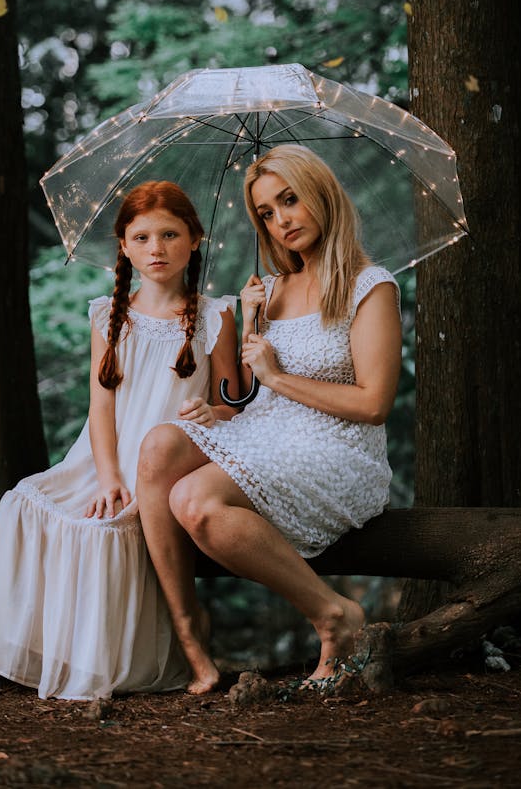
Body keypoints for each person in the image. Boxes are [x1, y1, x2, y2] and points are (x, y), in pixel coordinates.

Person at [136, 144, 402, 694]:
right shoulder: (272, 289)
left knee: (194, 501)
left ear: (320, 194)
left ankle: (332, 615)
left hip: (338, 448)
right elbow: (246, 394)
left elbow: (374, 404)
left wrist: (278, 378)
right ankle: (188, 635)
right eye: (266, 212)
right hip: (268, 432)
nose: (281, 220)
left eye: (289, 200)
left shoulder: (368, 286)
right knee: (160, 446)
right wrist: (242, 350)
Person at [0, 181, 239, 700]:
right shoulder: (107, 317)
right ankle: (54, 655)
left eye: (169, 234)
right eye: (141, 237)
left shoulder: (215, 316)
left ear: (195, 239)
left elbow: (235, 402)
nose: (156, 248)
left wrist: (214, 408)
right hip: (108, 453)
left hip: (171, 459)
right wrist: (109, 474)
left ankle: (119, 660)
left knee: (108, 528)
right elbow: (102, 406)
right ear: (124, 246)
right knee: (27, 501)